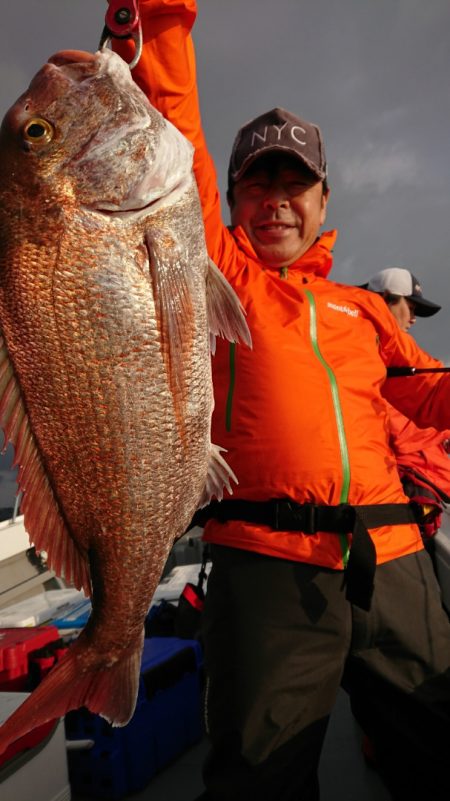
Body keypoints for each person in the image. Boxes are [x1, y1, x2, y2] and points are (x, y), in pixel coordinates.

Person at [115, 4, 450, 799]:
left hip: (395, 564)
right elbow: (177, 134)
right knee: (259, 782)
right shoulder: (219, 274)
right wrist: (162, 24)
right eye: (256, 183)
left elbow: (427, 391)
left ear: (324, 202)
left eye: (294, 183)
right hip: (268, 577)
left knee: (435, 752)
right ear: (230, 200)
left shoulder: (363, 310)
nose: (276, 199)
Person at [364, 267, 450, 561]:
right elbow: (394, 426)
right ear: (385, 300)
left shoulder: (404, 353)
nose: (412, 318)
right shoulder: (360, 348)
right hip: (406, 491)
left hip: (427, 487)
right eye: (409, 307)